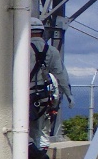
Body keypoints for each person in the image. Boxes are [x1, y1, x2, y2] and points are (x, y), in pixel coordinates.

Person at [28, 19, 72, 151]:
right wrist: (69, 95)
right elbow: (61, 75)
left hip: (22, 94)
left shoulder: (20, 48)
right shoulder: (51, 51)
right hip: (41, 97)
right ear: (42, 32)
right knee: (39, 130)